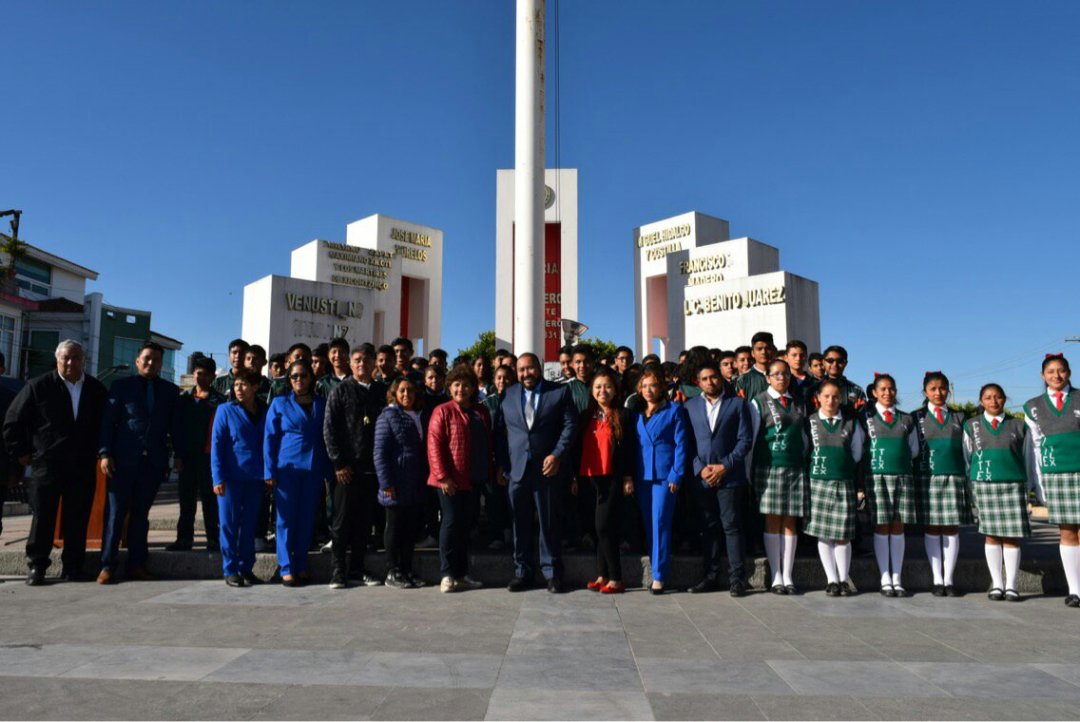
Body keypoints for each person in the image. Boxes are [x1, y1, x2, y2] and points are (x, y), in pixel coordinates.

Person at [4, 340, 107, 584]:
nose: (71, 362)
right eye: (65, 358)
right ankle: (37, 566)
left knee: (77, 517)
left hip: (82, 465)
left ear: (84, 360)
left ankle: (73, 567)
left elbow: (105, 424)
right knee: (43, 516)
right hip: (47, 464)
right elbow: (13, 421)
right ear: (57, 360)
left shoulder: (96, 389)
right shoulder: (38, 386)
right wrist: (21, 453)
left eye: (76, 357)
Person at [97, 341, 183, 584]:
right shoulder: (121, 386)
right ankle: (107, 566)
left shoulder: (170, 391)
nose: (151, 363)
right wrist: (105, 453)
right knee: (115, 514)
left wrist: (178, 455)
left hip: (152, 464)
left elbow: (175, 426)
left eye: (156, 360)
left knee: (140, 516)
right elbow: (108, 422)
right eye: (147, 358)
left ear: (161, 364)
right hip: (121, 463)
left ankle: (137, 564)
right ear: (137, 361)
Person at [494, 352, 578, 593]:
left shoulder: (559, 392)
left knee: (548, 522)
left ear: (539, 368)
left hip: (547, 469)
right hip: (517, 470)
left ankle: (552, 573)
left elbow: (570, 425)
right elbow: (499, 432)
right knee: (519, 523)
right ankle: (522, 572)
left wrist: (557, 454)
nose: (526, 374)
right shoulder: (508, 394)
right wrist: (503, 464)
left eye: (530, 368)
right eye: (521, 370)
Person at [684, 360, 753, 595]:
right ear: (698, 382)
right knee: (709, 526)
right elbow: (687, 442)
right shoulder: (690, 406)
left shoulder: (737, 403)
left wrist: (725, 466)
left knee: (731, 526)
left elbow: (745, 440)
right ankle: (710, 576)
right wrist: (700, 468)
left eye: (713, 377)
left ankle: (737, 579)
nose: (710, 382)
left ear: (721, 378)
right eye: (704, 379)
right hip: (702, 478)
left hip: (730, 476)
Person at [322, 345, 385, 588]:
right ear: (350, 364)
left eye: (366, 360)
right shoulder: (341, 390)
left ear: (374, 364)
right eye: (357, 360)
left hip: (373, 468)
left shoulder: (381, 391)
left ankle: (357, 569)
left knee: (363, 522)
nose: (362, 364)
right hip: (346, 469)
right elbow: (329, 429)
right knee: (341, 522)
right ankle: (338, 571)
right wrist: (339, 463)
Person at [964, 383, 1033, 602]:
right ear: (981, 401)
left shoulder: (1019, 425)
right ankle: (997, 584)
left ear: (1004, 399)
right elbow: (967, 457)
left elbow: (1028, 457)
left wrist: (1029, 485)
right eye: (988, 397)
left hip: (1013, 484)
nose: (993, 401)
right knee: (991, 536)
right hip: (985, 485)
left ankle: (1011, 585)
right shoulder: (971, 425)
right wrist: (971, 484)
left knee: (1012, 537)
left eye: (998, 397)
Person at [264, 360, 330, 586]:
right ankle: (286, 566)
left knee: (306, 518)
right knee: (285, 519)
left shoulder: (322, 403)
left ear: (311, 378)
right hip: (287, 468)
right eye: (294, 376)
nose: (299, 380)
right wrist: (269, 471)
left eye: (303, 375)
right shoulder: (280, 403)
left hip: (314, 468)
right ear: (289, 380)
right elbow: (269, 439)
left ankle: (301, 563)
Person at [427, 366, 491, 592]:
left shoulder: (481, 412)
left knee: (465, 526)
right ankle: (446, 573)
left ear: (473, 388)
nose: (461, 389)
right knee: (451, 522)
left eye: (466, 385)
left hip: (473, 479)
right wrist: (443, 477)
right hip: (450, 480)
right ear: (449, 387)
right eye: (456, 385)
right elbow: (434, 446)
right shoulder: (442, 411)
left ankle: (461, 573)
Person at [1023, 354, 1080, 607]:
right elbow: (1035, 446)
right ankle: (1075, 589)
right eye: (1050, 372)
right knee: (1067, 531)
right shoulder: (1033, 406)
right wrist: (1038, 482)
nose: (1056, 376)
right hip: (1056, 473)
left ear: (1069, 373)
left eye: (1061, 370)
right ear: (1042, 375)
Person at [749, 360, 810, 595]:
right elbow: (752, 438)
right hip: (769, 466)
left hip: (795, 467)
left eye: (785, 374)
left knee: (790, 521)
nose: (781, 378)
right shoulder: (758, 402)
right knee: (773, 520)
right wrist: (749, 470)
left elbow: (804, 437)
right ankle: (776, 575)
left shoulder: (798, 403)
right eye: (776, 374)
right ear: (767, 377)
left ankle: (788, 574)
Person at [913, 371, 972, 597]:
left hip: (954, 476)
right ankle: (937, 579)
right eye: (933, 389)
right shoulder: (915, 417)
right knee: (932, 527)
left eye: (943, 388)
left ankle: (949, 579)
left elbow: (968, 450)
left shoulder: (960, 417)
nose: (938, 393)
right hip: (927, 477)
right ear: (925, 392)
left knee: (951, 528)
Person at [805, 379, 865, 596]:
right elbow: (805, 450)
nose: (831, 400)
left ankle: (843, 579)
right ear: (818, 398)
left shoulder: (850, 423)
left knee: (843, 534)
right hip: (818, 482)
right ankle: (831, 579)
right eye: (826, 396)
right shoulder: (810, 422)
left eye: (835, 396)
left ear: (841, 399)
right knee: (823, 534)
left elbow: (857, 452)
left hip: (843, 481)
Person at [579, 368, 636, 594]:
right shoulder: (586, 415)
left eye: (608, 386)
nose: (603, 391)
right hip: (589, 477)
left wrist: (628, 477)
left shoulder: (623, 415)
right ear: (592, 391)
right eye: (598, 386)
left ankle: (616, 578)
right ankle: (602, 574)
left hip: (612, 477)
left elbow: (630, 448)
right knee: (598, 528)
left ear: (615, 390)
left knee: (604, 526)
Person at [632, 369, 689, 594]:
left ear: (662, 388)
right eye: (644, 386)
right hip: (642, 474)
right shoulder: (636, 413)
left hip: (665, 475)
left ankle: (659, 574)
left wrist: (677, 473)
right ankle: (655, 564)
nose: (649, 390)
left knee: (661, 522)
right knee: (649, 523)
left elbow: (681, 444)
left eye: (653, 385)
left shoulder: (673, 410)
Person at [863, 373, 921, 597]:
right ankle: (885, 576)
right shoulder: (866, 417)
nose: (887, 393)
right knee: (881, 525)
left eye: (891, 389)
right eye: (883, 389)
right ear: (875, 393)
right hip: (877, 476)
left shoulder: (906, 419)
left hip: (902, 475)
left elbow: (914, 449)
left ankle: (897, 576)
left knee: (898, 526)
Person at [210, 369, 267, 587]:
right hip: (230, 477)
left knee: (250, 525)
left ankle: (246, 568)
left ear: (255, 387)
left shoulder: (265, 409)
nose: (239, 389)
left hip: (256, 477)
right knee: (229, 524)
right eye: (236, 385)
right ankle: (230, 569)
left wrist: (269, 474)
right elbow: (217, 445)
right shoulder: (225, 410)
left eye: (244, 385)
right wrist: (217, 477)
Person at [374, 377, 428, 589]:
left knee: (410, 529)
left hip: (414, 482)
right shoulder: (387, 416)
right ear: (394, 393)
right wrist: (386, 483)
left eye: (410, 391)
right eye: (402, 391)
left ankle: (406, 568)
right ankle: (392, 570)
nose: (407, 395)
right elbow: (380, 453)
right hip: (395, 482)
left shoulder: (418, 415)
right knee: (394, 527)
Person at [169, 355, 226, 552]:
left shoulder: (220, 401)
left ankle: (214, 539)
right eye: (198, 373)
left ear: (213, 377)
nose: (202, 378)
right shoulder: (183, 399)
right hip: (187, 458)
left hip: (209, 458)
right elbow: (176, 429)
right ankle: (184, 539)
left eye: (206, 374)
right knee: (186, 500)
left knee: (210, 501)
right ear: (193, 374)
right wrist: (178, 455)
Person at [735, 332, 776, 401]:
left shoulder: (784, 376)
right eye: (759, 349)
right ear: (753, 353)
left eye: (768, 348)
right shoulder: (743, 380)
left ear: (773, 351)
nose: (763, 352)